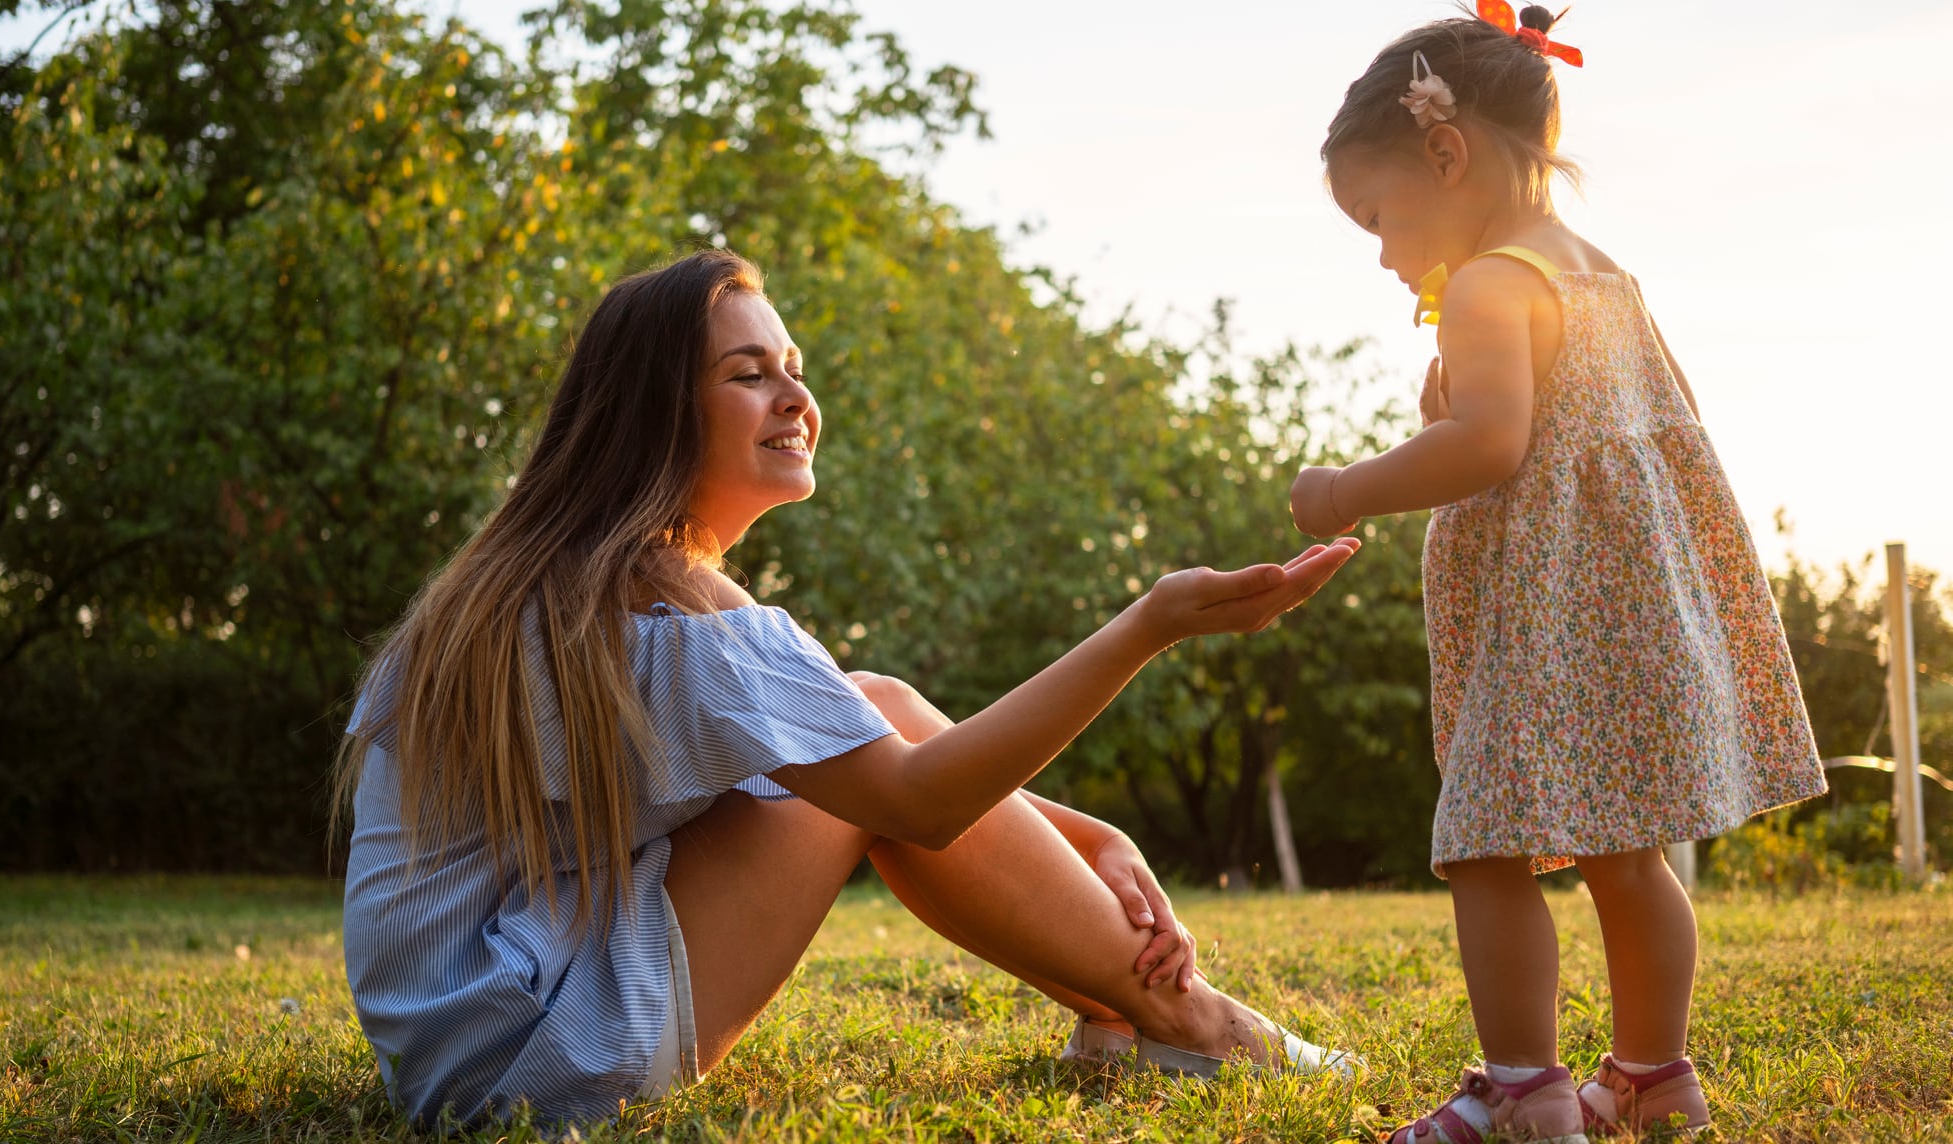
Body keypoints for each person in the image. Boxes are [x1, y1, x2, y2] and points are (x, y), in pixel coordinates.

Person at [332, 249, 1363, 1126]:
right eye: (747, 374)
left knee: (873, 702)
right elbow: (914, 797)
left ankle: (1124, 1019)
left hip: (463, 1039)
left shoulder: (566, 582)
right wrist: (1148, 625)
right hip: (535, 1049)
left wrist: (1090, 837)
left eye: (792, 366)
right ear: (659, 413)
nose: (794, 398)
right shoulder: (655, 613)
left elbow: (867, 767)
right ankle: (1196, 1024)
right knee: (885, 716)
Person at [1289, 0, 1826, 1143]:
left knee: (1482, 841)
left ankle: (1521, 1086)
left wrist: (1343, 485)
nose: (1383, 254)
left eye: (1379, 218)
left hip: (1548, 615)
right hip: (1634, 606)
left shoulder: (1486, 282)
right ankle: (1648, 1072)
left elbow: (1489, 445)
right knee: (1623, 849)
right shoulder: (1600, 274)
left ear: (1446, 151)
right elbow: (1596, 422)